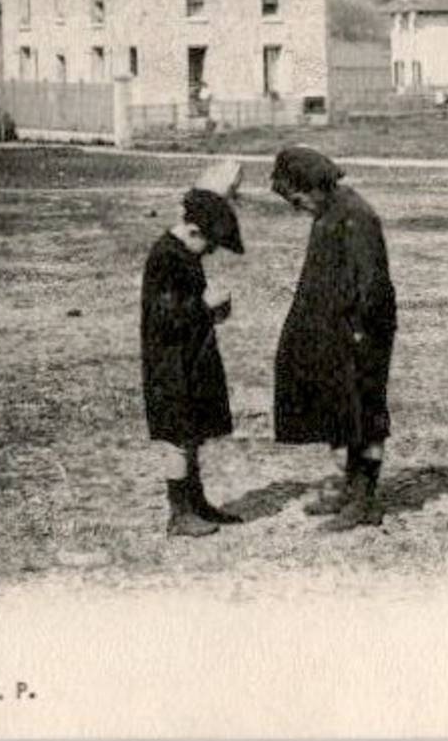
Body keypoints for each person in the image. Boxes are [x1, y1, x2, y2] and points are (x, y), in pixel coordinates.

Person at [270, 146, 399, 528]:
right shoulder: (330, 211)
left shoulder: (356, 216)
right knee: (347, 411)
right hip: (341, 330)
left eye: (297, 199)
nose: (298, 208)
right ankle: (351, 489)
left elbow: (372, 284)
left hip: (362, 331)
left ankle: (365, 500)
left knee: (367, 413)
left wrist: (360, 332)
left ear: (314, 187)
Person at [140, 188, 245, 537]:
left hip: (190, 360)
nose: (212, 252)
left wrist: (213, 312)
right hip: (170, 364)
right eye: (211, 244)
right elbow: (166, 318)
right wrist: (206, 307)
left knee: (193, 433)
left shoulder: (184, 254)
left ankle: (196, 502)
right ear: (194, 231)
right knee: (177, 437)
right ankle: (179, 514)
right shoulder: (166, 258)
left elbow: (185, 309)